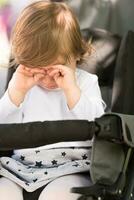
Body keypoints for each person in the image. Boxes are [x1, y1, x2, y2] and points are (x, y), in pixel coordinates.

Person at [0, 1, 105, 200]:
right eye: (40, 69)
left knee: (56, 196)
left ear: (76, 55)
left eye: (57, 69)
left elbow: (100, 126)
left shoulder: (85, 82)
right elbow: (3, 130)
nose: (49, 79)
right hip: (21, 167)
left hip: (73, 168)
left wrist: (71, 89)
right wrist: (16, 92)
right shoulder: (24, 85)